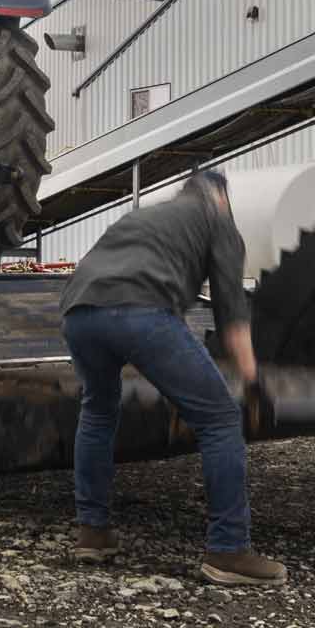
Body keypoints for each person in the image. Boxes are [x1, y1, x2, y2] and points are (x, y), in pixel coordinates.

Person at [59, 169, 285, 586]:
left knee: (98, 411)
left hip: (78, 311)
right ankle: (228, 550)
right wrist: (253, 382)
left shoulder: (143, 216)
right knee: (219, 420)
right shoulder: (218, 221)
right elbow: (232, 314)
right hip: (140, 310)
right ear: (220, 198)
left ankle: (93, 532)